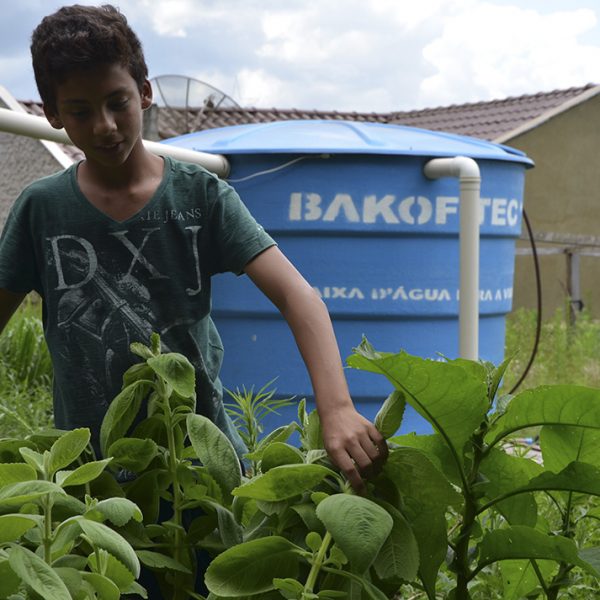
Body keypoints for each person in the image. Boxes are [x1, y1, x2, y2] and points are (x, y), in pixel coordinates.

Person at [0, 4, 387, 495]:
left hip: (200, 472)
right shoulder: (42, 209)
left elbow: (297, 296)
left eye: (117, 102)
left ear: (144, 93)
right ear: (53, 115)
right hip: (87, 483)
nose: (104, 125)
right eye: (80, 111)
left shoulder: (199, 197)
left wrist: (336, 408)